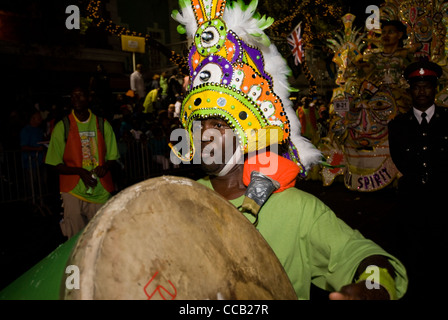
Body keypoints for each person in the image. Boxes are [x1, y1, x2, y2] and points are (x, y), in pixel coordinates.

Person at [171, 0, 408, 300]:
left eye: (218, 123)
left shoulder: (297, 208)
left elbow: (366, 257)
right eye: (198, 124)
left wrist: (371, 289)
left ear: (247, 132)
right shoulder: (179, 201)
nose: (204, 134)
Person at [388, 59, 448, 300]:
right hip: (411, 203)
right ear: (409, 90)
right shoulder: (398, 126)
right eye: (416, 86)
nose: (421, 91)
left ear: (435, 89)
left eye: (427, 86)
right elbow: (401, 160)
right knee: (413, 258)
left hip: (443, 201)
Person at [45, 87, 120, 239]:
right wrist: (80, 172)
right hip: (73, 189)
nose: (76, 99)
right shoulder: (62, 126)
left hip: (100, 189)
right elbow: (53, 163)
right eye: (73, 96)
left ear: (89, 98)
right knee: (75, 238)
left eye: (80, 96)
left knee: (101, 236)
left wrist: (104, 167)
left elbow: (113, 157)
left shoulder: (102, 124)